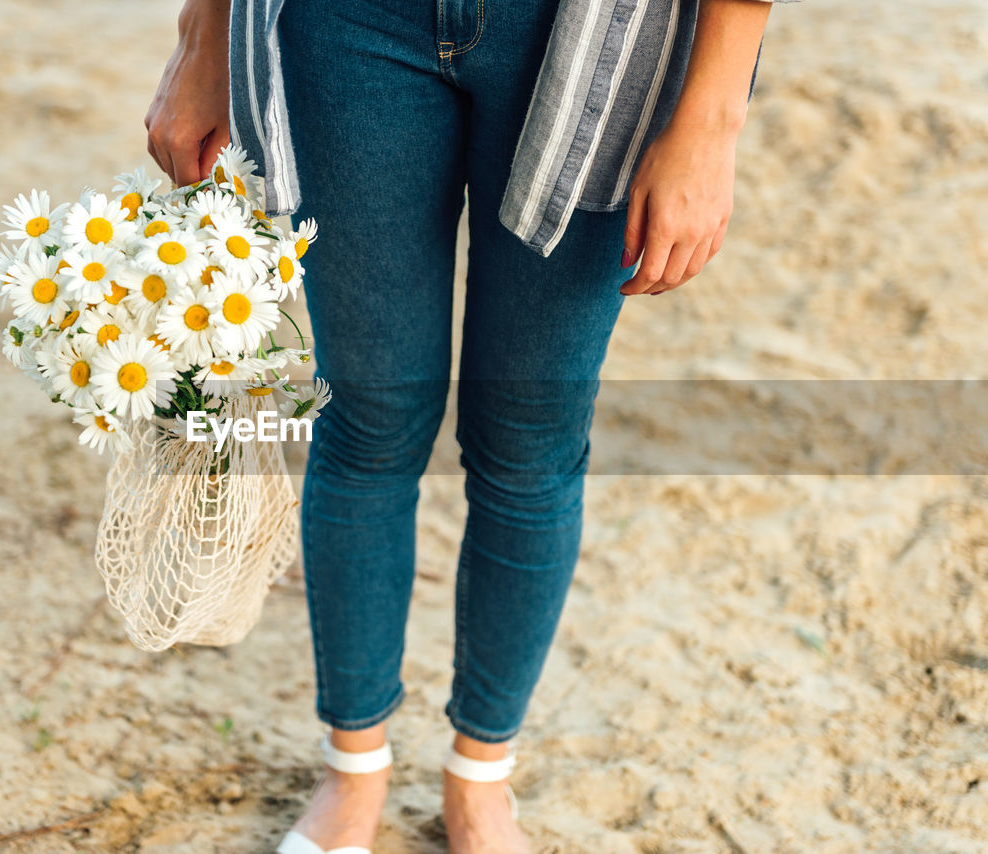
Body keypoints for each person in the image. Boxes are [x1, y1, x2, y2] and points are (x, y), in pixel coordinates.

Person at [145, 0, 786, 850]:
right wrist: (204, 32)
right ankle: (353, 769)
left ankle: (481, 779)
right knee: (368, 418)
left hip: (595, 33)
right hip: (347, 29)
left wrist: (712, 115)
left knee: (530, 437)